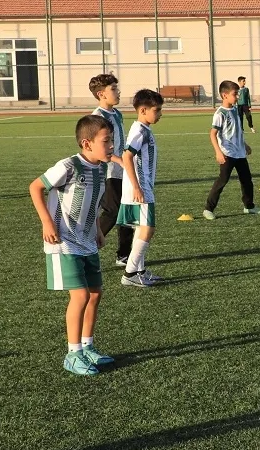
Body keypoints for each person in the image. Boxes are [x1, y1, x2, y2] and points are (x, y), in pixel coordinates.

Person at [30, 114, 114, 376]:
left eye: (111, 140)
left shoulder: (101, 168)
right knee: (80, 296)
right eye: (106, 141)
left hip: (87, 241)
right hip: (64, 242)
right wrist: (47, 222)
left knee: (95, 294)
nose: (111, 145)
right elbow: (35, 187)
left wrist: (98, 230)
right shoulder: (69, 166)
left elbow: (95, 203)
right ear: (87, 143)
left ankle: (87, 347)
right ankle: (73, 353)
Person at [88, 73, 135, 269]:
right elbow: (98, 148)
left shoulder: (117, 113)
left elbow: (120, 141)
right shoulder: (98, 117)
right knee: (112, 212)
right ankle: (86, 249)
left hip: (122, 170)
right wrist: (119, 160)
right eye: (113, 89)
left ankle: (124, 254)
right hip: (108, 172)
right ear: (101, 94)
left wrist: (129, 157)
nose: (118, 92)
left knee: (127, 210)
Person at [119, 89, 164, 288]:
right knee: (148, 229)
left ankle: (140, 271)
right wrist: (137, 187)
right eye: (157, 110)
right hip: (141, 188)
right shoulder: (139, 131)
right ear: (143, 110)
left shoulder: (143, 129)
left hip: (142, 186)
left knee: (140, 228)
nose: (160, 114)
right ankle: (130, 273)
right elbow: (127, 156)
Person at [203, 80, 258, 219]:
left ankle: (249, 206)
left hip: (239, 153)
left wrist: (244, 144)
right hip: (227, 153)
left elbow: (236, 130)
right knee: (222, 181)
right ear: (225, 95)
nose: (238, 96)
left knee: (247, 180)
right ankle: (208, 209)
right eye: (235, 94)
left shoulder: (234, 110)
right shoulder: (220, 113)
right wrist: (218, 152)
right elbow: (213, 134)